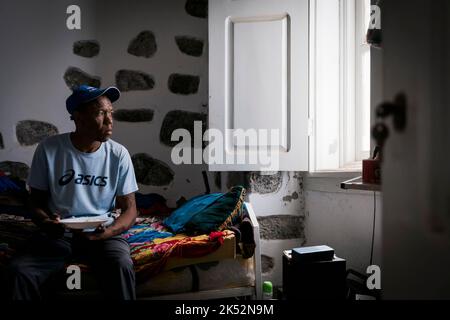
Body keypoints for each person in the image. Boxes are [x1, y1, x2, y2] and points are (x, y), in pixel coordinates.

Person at [6, 85, 139, 300]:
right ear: (78, 117)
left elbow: (130, 209)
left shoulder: (118, 154)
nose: (109, 120)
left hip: (102, 232)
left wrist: (109, 232)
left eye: (111, 113)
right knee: (19, 271)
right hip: (59, 234)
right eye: (100, 113)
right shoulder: (50, 149)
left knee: (122, 265)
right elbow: (35, 202)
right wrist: (45, 221)